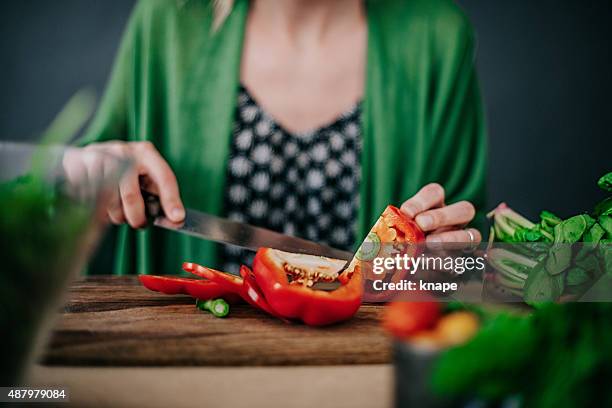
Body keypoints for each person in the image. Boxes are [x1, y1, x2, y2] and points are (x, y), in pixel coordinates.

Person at [77, 0, 486, 275]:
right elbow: (66, 200)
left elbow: (469, 266)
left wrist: (451, 260)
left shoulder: (438, 39)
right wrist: (95, 177)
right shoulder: (167, 21)